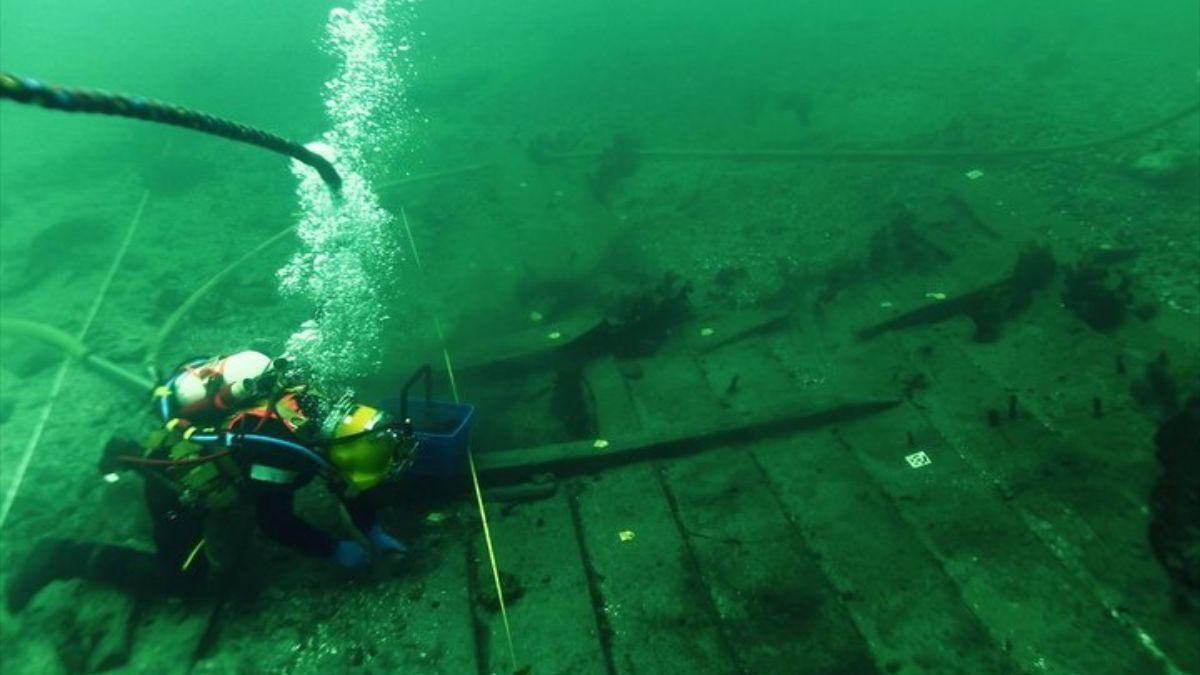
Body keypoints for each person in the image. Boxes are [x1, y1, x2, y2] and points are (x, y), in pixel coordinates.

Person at [6, 350, 413, 613]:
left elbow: (344, 481)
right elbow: (275, 523)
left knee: (254, 486)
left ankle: (133, 455)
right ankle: (59, 556)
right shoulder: (282, 452)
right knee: (181, 579)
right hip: (177, 477)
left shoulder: (322, 411)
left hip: (233, 449)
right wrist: (333, 549)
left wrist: (371, 528)